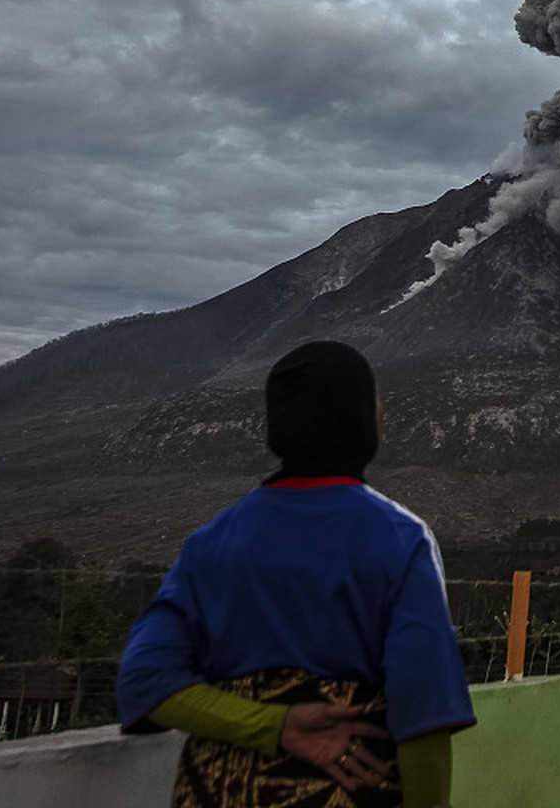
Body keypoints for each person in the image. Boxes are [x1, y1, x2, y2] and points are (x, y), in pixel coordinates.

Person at [118, 341, 475, 808]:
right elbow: (423, 711)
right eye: (375, 399)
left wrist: (272, 725)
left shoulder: (210, 543)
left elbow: (145, 679)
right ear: (361, 420)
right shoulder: (400, 540)